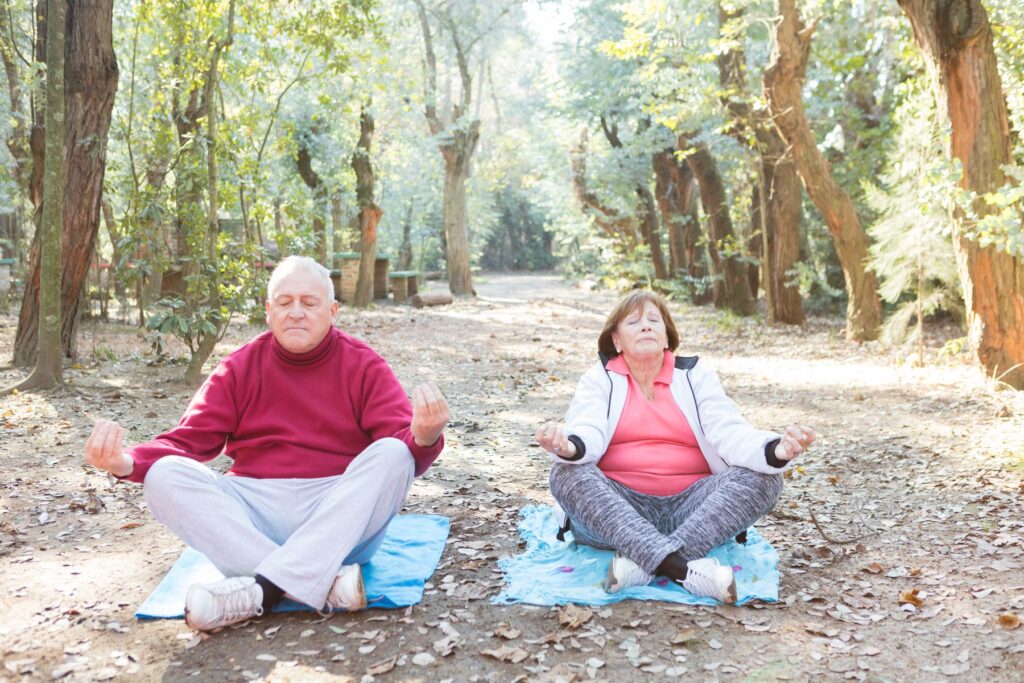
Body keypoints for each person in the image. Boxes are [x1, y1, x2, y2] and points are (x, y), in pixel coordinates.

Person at [83, 255, 449, 631]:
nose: (296, 313)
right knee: (163, 475)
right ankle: (323, 583)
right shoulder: (239, 366)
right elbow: (188, 441)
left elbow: (401, 447)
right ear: (268, 311)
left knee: (394, 454)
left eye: (309, 303)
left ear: (333, 310)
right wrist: (125, 463)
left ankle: (263, 591)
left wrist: (425, 435)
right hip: (253, 516)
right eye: (285, 302)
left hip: (338, 517)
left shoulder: (365, 365)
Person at [535, 290, 814, 603]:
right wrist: (567, 446)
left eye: (654, 320)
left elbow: (729, 431)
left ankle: (643, 564)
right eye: (634, 322)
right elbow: (587, 429)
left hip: (692, 511)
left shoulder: (695, 377)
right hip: (616, 512)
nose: (646, 326)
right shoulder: (598, 379)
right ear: (616, 341)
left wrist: (777, 450)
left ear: (667, 338)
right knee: (565, 472)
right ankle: (682, 569)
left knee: (766, 477)